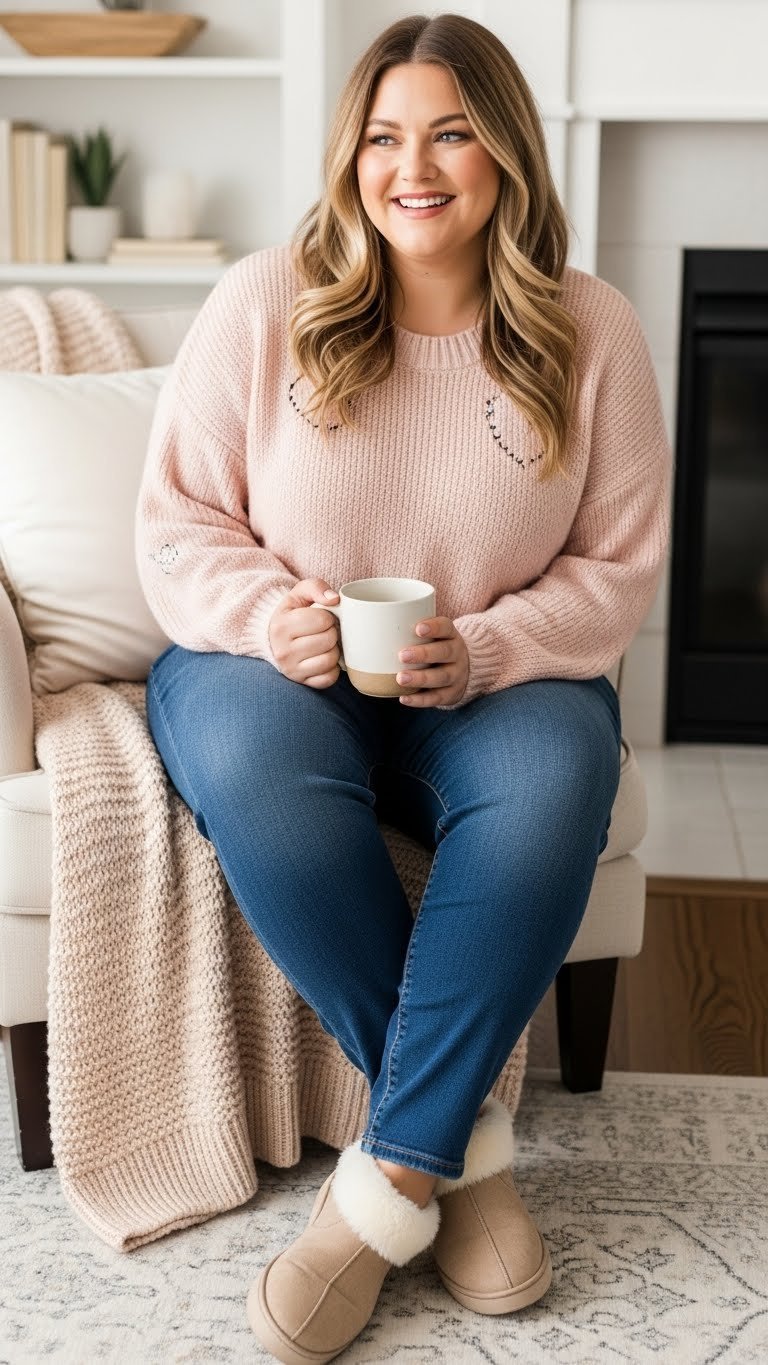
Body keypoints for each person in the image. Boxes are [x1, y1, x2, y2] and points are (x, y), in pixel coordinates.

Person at [136, 12, 670, 1363]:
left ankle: (370, 1207)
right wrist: (274, 617)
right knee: (260, 771)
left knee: (560, 778)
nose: (411, 165)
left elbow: (616, 570)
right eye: (382, 135)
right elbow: (178, 522)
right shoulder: (267, 300)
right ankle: (463, 1152)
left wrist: (488, 648)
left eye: (448, 131)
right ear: (349, 155)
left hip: (496, 682)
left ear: (504, 152)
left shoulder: (589, 328)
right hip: (271, 668)